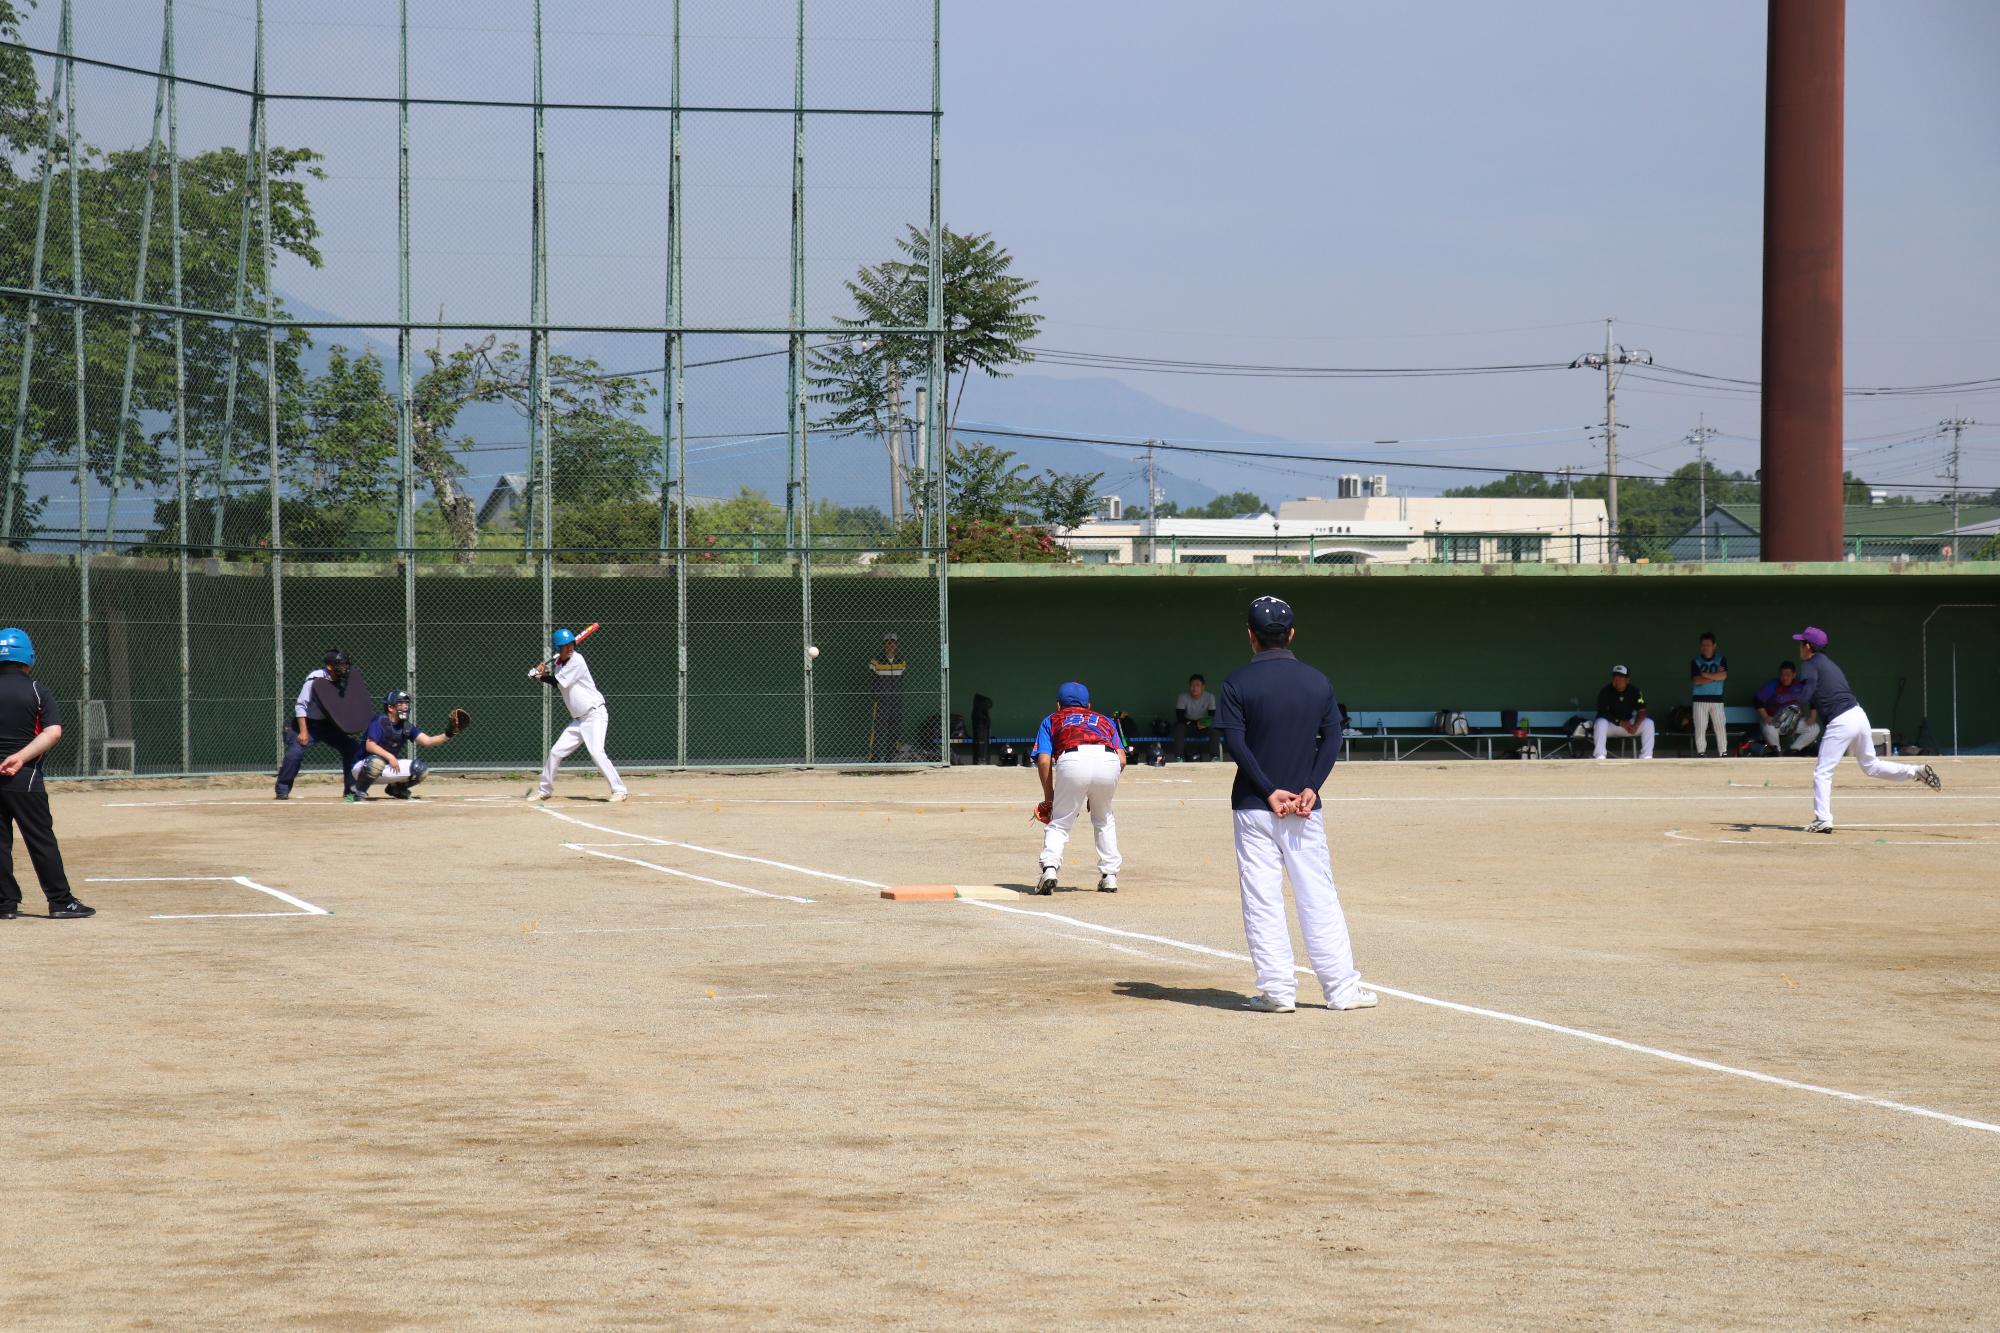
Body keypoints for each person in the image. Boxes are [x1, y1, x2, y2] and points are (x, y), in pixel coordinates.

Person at [1214, 596, 1375, 1014]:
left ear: (1250, 636)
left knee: (1262, 897)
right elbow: (1333, 739)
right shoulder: (1318, 681)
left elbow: (1235, 742)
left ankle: (1278, 992)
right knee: (1317, 893)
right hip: (1305, 808)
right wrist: (1311, 787)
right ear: (1291, 634)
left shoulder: (1235, 684)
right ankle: (1340, 990)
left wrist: (1268, 790)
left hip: (1253, 804)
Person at [1789, 626, 1940, 833]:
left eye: (1801, 643)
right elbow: (1819, 691)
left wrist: (1798, 704)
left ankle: (1822, 819)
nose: (1799, 647)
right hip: (1858, 715)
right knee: (1871, 765)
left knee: (1822, 772)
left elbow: (1810, 686)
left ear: (1808, 646)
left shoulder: (1810, 663)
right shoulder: (1829, 665)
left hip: (1841, 721)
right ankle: (1915, 771)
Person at [0, 628, 92, 919]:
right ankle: (61, 902)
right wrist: (20, 757)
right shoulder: (38, 690)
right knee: (40, 839)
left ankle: (4, 904)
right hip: (25, 777)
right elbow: (53, 732)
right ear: (28, 657)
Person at [1030, 681, 1126, 893]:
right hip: (1108, 760)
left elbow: (1044, 761)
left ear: (1058, 705)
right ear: (1089, 706)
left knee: (1060, 822)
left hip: (1072, 759)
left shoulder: (1052, 719)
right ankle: (1109, 876)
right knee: (1104, 819)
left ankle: (1050, 868)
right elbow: (1121, 759)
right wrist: (1097, 793)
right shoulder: (1105, 720)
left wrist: (1050, 798)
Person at [527, 627, 627, 803]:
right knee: (556, 752)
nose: (570, 648)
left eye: (571, 644)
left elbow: (559, 683)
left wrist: (539, 676)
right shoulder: (558, 663)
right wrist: (542, 672)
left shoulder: (577, 660)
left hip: (594, 714)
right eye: (565, 646)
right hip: (579, 720)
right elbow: (557, 677)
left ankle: (619, 790)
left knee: (596, 752)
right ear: (558, 648)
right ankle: (544, 790)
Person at [275, 647, 366, 799]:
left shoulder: (347, 680)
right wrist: (303, 732)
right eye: (341, 664)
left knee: (352, 749)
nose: (345, 667)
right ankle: (282, 789)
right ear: (330, 666)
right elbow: (300, 706)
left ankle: (351, 788)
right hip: (309, 725)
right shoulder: (315, 679)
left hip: (331, 725)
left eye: (346, 663)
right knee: (294, 753)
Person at [348, 690, 456, 801]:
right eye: (400, 704)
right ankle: (359, 790)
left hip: (385, 767)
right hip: (362, 767)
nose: (405, 707)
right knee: (376, 762)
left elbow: (428, 741)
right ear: (390, 707)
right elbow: (370, 746)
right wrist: (390, 756)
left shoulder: (406, 726)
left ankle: (397, 789)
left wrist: (449, 733)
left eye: (406, 703)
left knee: (421, 769)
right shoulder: (380, 721)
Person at [1754, 660, 1821, 754]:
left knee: (1814, 727)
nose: (1784, 677)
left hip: (1794, 722)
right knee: (1768, 727)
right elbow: (1757, 700)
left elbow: (1813, 700)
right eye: (1782, 674)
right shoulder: (1773, 685)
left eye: (1788, 675)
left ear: (1794, 674)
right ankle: (1777, 752)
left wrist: (1813, 717)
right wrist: (1765, 716)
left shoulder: (1800, 685)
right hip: (1775, 721)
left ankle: (1793, 750)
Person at [1592, 665, 1655, 759]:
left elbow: (1642, 710)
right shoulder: (1605, 691)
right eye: (1615, 676)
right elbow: (1603, 712)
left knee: (1649, 723)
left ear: (1627, 680)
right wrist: (1620, 722)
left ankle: (1646, 756)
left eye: (1621, 677)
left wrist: (1636, 725)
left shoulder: (1634, 691)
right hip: (1611, 726)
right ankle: (1600, 755)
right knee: (1600, 722)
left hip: (1629, 727)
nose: (1617, 679)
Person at [1689, 632, 1729, 757]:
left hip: (1717, 699)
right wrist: (1715, 676)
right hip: (1699, 699)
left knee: (1720, 726)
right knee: (1700, 727)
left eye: (1708, 644)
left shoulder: (1721, 659)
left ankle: (1723, 752)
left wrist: (1705, 674)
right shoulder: (1695, 661)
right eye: (1703, 645)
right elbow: (1696, 680)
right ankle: (1701, 752)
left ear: (1714, 645)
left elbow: (1724, 675)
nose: (1705, 647)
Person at [868, 634, 906, 762]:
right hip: (882, 700)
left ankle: (892, 757)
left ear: (896, 645)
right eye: (888, 643)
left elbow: (902, 679)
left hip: (896, 700)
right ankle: (875, 758)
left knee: (895, 728)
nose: (891, 645)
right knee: (878, 729)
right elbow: (872, 680)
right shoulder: (876, 661)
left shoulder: (901, 661)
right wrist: (877, 696)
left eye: (893, 642)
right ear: (884, 645)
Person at [1174, 673, 1219, 761]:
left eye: (1197, 685)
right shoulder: (1182, 697)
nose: (1194, 688)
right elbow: (1179, 717)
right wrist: (1195, 723)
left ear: (1203, 687)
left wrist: (1205, 723)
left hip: (1203, 726)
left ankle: (1214, 756)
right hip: (1188, 725)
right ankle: (1179, 757)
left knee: (1215, 728)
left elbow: (1213, 716)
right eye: (1192, 685)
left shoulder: (1209, 697)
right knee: (1179, 727)